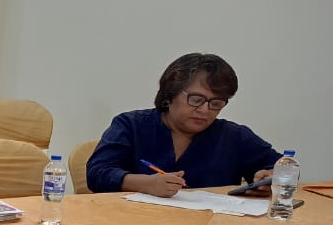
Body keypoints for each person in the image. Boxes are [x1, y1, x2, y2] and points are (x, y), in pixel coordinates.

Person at [86, 52, 280, 196]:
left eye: (216, 103)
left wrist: (269, 179)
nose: (205, 110)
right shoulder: (131, 126)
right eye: (196, 99)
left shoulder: (233, 136)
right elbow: (97, 174)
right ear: (170, 95)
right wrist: (146, 184)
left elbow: (283, 166)